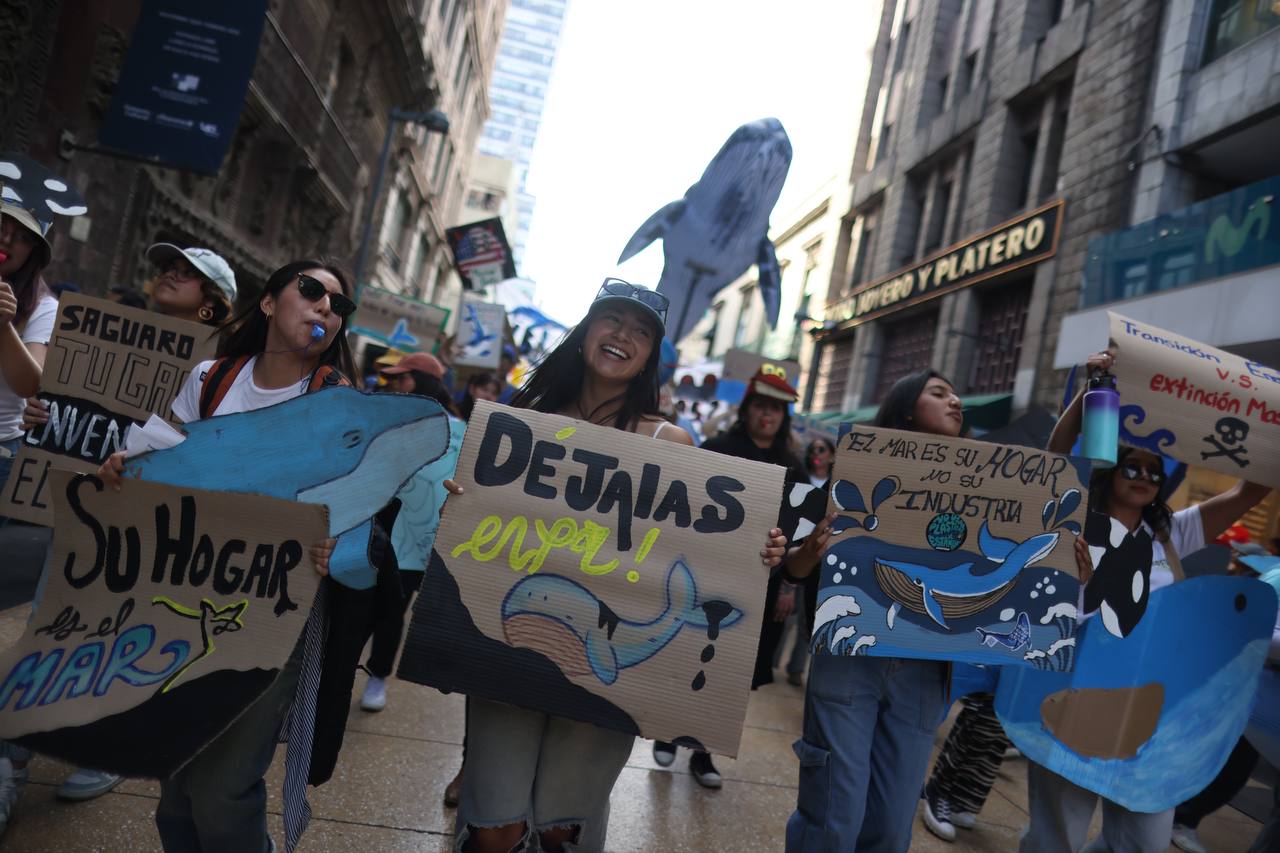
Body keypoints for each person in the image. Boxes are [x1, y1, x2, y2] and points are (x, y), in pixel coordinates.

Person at [448, 277, 787, 853]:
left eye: (642, 331)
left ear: (651, 355)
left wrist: (758, 551)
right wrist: (459, 498)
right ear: (585, 334)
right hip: (511, 653)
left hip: (605, 680)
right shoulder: (521, 420)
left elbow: (702, 550)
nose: (623, 335)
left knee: (562, 831)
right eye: (612, 320)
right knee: (493, 830)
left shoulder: (671, 443)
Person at [97, 259, 375, 853]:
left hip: (273, 615)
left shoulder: (337, 401)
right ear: (270, 303)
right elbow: (161, 464)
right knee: (175, 783)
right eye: (311, 291)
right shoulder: (211, 379)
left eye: (339, 304)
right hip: (184, 601)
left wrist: (338, 542)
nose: (326, 307)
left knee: (224, 791)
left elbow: (356, 521)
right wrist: (125, 470)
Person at [1017, 348, 1274, 853]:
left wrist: (1264, 417)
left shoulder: (1172, 534)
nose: (1143, 476)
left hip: (1152, 713)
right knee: (1057, 836)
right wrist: (1092, 392)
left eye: (1155, 471)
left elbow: (1249, 492)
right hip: (1072, 698)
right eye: (1130, 465)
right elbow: (1055, 458)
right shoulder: (1069, 520)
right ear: (1108, 472)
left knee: (1144, 840)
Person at [20, 244, 237, 804]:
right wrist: (42, 412)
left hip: (147, 521)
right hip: (82, 504)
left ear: (212, 305)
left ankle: (105, 745)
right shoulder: (99, 340)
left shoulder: (220, 372)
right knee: (47, 623)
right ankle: (12, 762)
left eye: (190, 275)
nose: (172, 274)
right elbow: (57, 403)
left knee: (112, 631)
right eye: (169, 265)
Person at [784, 369, 965, 852]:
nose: (956, 401)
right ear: (906, 407)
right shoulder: (856, 471)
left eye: (956, 395)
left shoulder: (980, 496)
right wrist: (812, 548)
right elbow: (796, 568)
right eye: (939, 392)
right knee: (833, 818)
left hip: (925, 669)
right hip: (850, 656)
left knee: (890, 825)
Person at [651, 365, 806, 788]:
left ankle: (703, 752)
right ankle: (664, 731)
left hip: (761, 586)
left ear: (784, 416)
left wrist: (790, 585)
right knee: (683, 654)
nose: (767, 416)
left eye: (776, 409)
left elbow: (801, 536)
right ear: (748, 408)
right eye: (761, 406)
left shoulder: (795, 467)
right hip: (706, 573)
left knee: (730, 675)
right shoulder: (718, 447)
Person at [0, 155, 86, 836]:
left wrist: (4, 321)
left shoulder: (41, 307)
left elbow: (35, 385)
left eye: (18, 233)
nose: (6, 238)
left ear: (34, 249)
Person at [360, 352, 465, 714]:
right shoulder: (391, 420)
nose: (397, 385)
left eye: (404, 378)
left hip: (435, 537)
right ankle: (364, 673)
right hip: (391, 532)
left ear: (422, 382)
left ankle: (378, 675)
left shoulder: (460, 430)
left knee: (403, 611)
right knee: (385, 607)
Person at [773, 437, 838, 688]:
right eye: (812, 450)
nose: (816, 454)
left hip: (819, 564)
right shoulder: (801, 477)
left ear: (832, 455)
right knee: (787, 615)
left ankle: (796, 669)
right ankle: (775, 661)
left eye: (821, 450)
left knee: (805, 624)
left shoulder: (837, 483)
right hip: (799, 555)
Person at [145, 243, 237, 324]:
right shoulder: (134, 329)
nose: (169, 275)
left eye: (187, 272)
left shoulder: (218, 344)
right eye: (166, 268)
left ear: (210, 298)